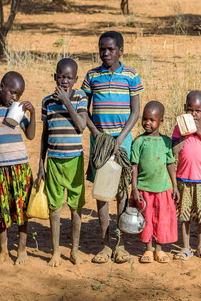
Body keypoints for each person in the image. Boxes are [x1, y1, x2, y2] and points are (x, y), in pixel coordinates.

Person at [82, 31, 143, 264]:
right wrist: (97, 134)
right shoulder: (92, 76)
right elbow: (83, 109)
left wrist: (120, 139)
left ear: (120, 50)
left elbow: (136, 111)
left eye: (110, 49)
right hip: (99, 140)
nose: (105, 53)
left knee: (121, 192)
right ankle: (105, 245)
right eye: (101, 49)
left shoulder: (130, 75)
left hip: (123, 140)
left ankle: (121, 246)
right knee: (102, 192)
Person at [0, 71, 37, 265]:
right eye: (12, 92)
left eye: (18, 95)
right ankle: (3, 250)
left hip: (20, 166)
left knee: (22, 210)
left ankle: (21, 250)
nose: (15, 98)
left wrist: (32, 114)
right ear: (1, 86)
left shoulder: (17, 110)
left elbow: (30, 135)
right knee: (1, 209)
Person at [38, 58, 88, 267]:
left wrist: (67, 101)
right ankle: (56, 251)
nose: (65, 81)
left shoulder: (80, 98)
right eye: (61, 76)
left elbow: (81, 126)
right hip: (54, 162)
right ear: (55, 77)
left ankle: (74, 250)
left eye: (69, 77)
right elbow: (44, 134)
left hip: (74, 161)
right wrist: (41, 163)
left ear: (75, 80)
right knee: (54, 207)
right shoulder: (47, 102)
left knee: (75, 207)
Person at [172, 90, 201, 260]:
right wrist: (185, 134)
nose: (194, 114)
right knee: (184, 216)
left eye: (197, 111)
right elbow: (175, 150)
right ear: (185, 108)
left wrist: (199, 132)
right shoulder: (180, 126)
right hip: (183, 178)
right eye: (190, 110)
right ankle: (186, 247)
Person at [131, 101, 178, 264]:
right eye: (145, 119)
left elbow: (170, 164)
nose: (147, 123)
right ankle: (148, 250)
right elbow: (134, 167)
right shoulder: (139, 141)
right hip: (144, 189)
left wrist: (175, 186)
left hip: (163, 189)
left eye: (152, 119)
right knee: (147, 219)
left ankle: (159, 249)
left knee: (162, 219)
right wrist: (135, 188)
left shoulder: (166, 142)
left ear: (161, 121)